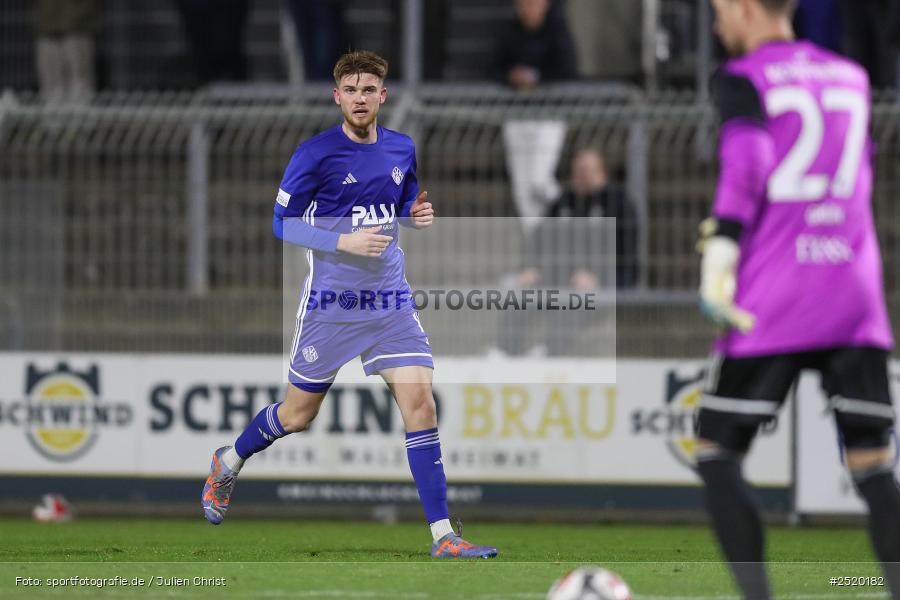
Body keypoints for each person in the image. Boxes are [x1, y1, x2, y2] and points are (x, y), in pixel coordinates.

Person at [201, 50, 498, 560]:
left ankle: (444, 536)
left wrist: (414, 213)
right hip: (332, 304)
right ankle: (228, 461)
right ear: (337, 96)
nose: (360, 99)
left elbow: (400, 204)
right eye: (351, 90)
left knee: (422, 405)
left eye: (369, 90)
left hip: (389, 301)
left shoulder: (402, 147)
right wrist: (343, 242)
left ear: (383, 95)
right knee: (297, 415)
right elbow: (282, 224)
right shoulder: (315, 154)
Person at [697, 1, 900, 598]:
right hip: (853, 294)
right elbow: (861, 169)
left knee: (716, 451)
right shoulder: (851, 77)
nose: (716, 25)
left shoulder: (742, 78)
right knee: (873, 465)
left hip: (776, 296)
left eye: (719, 10)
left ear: (744, 8)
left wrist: (720, 253)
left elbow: (748, 163)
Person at [499, 148, 638, 355]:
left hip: (605, 282)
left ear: (602, 173)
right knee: (519, 293)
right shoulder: (563, 202)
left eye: (587, 170)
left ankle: (549, 352)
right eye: (577, 171)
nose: (580, 176)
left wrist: (598, 277)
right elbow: (538, 240)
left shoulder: (618, 203)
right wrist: (530, 268)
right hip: (559, 278)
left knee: (578, 298)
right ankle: (505, 351)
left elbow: (628, 255)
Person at [494, 0, 578, 90]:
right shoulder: (508, 32)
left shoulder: (558, 33)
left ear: (545, 4)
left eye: (532, 4)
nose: (527, 9)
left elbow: (567, 69)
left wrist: (535, 76)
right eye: (523, 4)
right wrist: (511, 76)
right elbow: (493, 69)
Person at [32, 0, 101, 104]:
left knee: (79, 78)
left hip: (77, 28)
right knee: (51, 81)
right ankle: (53, 108)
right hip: (47, 27)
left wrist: (76, 18)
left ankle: (81, 109)